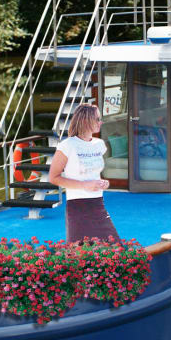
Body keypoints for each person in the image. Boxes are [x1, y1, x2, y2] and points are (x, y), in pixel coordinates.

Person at [47, 103, 121, 242]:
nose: (101, 122)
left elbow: (92, 172)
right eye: (97, 119)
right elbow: (54, 177)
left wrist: (101, 183)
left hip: (98, 204)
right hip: (77, 207)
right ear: (86, 120)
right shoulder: (67, 145)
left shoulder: (99, 145)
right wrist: (85, 185)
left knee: (116, 249)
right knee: (80, 256)